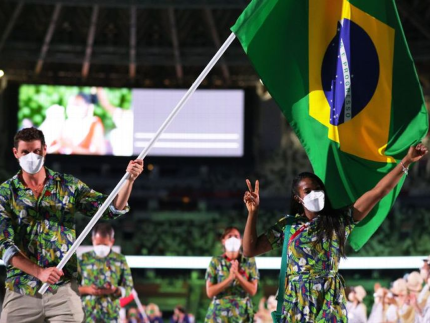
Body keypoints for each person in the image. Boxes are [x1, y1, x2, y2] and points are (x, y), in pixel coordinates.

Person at [242, 144, 428, 322]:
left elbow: (378, 192)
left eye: (318, 189)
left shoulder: (340, 221)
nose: (315, 193)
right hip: (297, 304)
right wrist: (253, 212)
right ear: (298, 198)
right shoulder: (288, 226)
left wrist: (407, 161)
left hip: (329, 302)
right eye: (308, 191)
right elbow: (250, 250)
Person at [0, 127, 143, 322]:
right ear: (16, 153)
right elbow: (3, 244)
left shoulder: (67, 185)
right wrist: (39, 272)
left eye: (36, 151)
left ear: (45, 150)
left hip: (63, 290)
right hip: (21, 290)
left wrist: (129, 180)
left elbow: (109, 209)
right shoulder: (5, 193)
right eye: (25, 152)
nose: (31, 156)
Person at [78, 223, 134, 322]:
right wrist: (87, 289)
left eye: (105, 244)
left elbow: (129, 286)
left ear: (112, 241)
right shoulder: (83, 259)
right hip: (88, 314)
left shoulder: (120, 259)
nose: (101, 247)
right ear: (93, 240)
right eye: (98, 244)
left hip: (111, 314)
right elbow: (71, 287)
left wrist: (116, 290)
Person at [205, 227, 259, 322]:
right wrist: (229, 279)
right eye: (229, 236)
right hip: (218, 315)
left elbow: (253, 290)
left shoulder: (249, 261)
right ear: (223, 241)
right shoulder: (216, 261)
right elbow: (210, 292)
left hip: (242, 315)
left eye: (236, 236)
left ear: (241, 241)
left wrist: (237, 275)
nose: (233, 239)